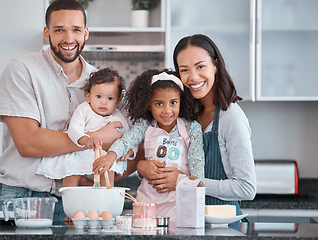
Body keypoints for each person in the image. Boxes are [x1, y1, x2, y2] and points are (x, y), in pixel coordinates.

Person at [0, 0, 134, 221]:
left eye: (76, 30)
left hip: (85, 198)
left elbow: (123, 141)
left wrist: (119, 154)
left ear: (86, 33)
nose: (69, 39)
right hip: (27, 198)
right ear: (47, 33)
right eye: (60, 30)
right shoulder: (22, 70)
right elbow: (28, 143)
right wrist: (97, 138)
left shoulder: (101, 85)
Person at [137, 34, 256, 228]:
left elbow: (246, 188)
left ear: (215, 65)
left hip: (221, 228)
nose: (193, 77)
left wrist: (186, 182)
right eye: (184, 70)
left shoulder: (231, 118)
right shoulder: (182, 114)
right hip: (184, 223)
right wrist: (142, 167)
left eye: (200, 66)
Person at [93, 69, 205, 223]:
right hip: (147, 202)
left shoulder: (192, 128)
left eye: (173, 103)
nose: (167, 110)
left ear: (181, 101)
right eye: (159, 103)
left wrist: (181, 180)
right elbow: (126, 141)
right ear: (148, 106)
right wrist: (110, 156)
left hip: (180, 203)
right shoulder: (144, 125)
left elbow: (198, 176)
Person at [36, 68, 135, 187]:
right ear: (88, 96)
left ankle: (104, 200)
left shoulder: (118, 118)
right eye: (98, 96)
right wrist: (86, 140)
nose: (103, 102)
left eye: (110, 98)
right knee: (71, 173)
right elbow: (74, 129)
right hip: (79, 153)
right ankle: (71, 199)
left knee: (108, 171)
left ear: (118, 101)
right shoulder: (84, 110)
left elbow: (131, 138)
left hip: (104, 157)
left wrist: (129, 151)